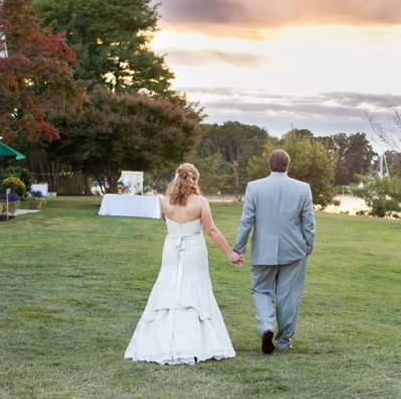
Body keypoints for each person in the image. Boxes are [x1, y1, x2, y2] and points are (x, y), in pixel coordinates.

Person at [124, 163, 243, 365]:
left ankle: (161, 341)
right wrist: (230, 253)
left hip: (171, 248)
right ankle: (194, 343)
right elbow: (211, 230)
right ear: (195, 180)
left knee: (169, 285)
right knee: (194, 287)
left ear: (176, 178)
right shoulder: (200, 202)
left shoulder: (164, 202)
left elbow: (167, 222)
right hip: (193, 248)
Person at [234, 150, 316, 354]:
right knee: (289, 296)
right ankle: (283, 340)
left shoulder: (254, 187)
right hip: (295, 250)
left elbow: (246, 221)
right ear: (288, 165)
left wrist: (239, 248)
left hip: (263, 250)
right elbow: (309, 223)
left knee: (261, 290)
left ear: (269, 165)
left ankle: (266, 327)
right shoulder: (303, 188)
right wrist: (308, 246)